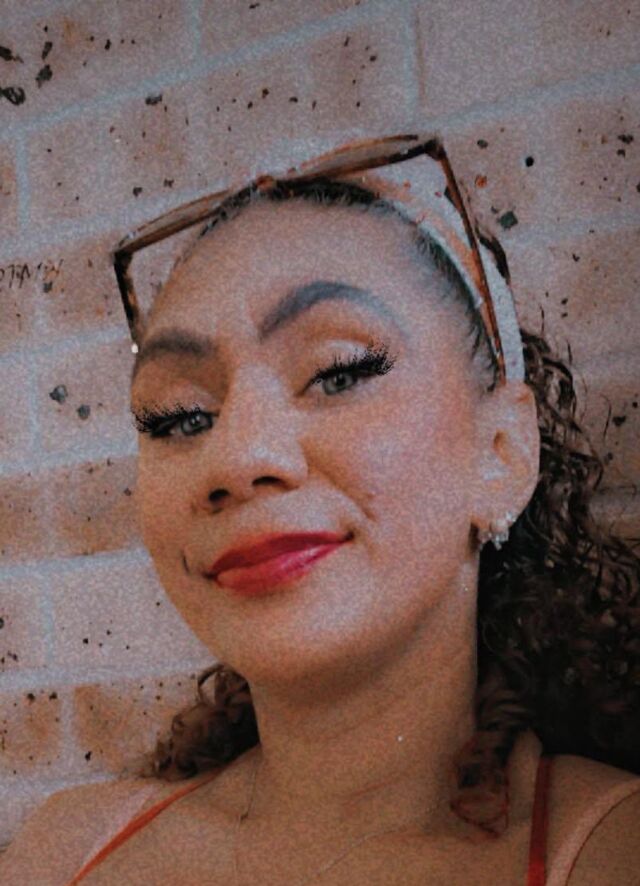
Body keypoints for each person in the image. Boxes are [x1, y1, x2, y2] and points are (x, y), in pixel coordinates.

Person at [2, 133, 639, 885]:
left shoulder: (610, 854)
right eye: (180, 416)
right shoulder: (61, 854)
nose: (236, 459)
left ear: (502, 453)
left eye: (339, 372)